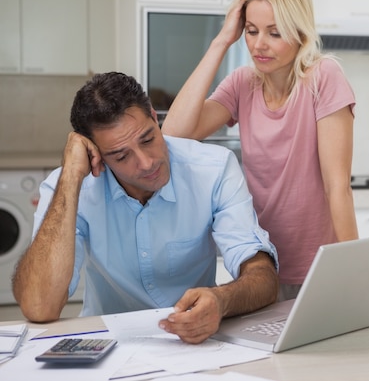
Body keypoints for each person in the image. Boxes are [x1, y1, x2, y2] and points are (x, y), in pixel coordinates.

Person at [161, 0, 369, 318]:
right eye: (251, 30)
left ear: (301, 33)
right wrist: (221, 42)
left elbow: (338, 189)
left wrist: (358, 277)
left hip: (317, 269)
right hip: (259, 272)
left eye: (274, 33)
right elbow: (175, 134)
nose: (259, 45)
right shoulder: (242, 84)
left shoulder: (323, 78)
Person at [11, 72, 279, 344]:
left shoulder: (214, 169)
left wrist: (222, 300)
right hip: (107, 344)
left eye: (148, 139)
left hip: (196, 343)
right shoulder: (68, 187)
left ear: (153, 116)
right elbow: (39, 307)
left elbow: (263, 278)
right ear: (96, 154)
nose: (146, 163)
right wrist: (70, 177)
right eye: (121, 155)